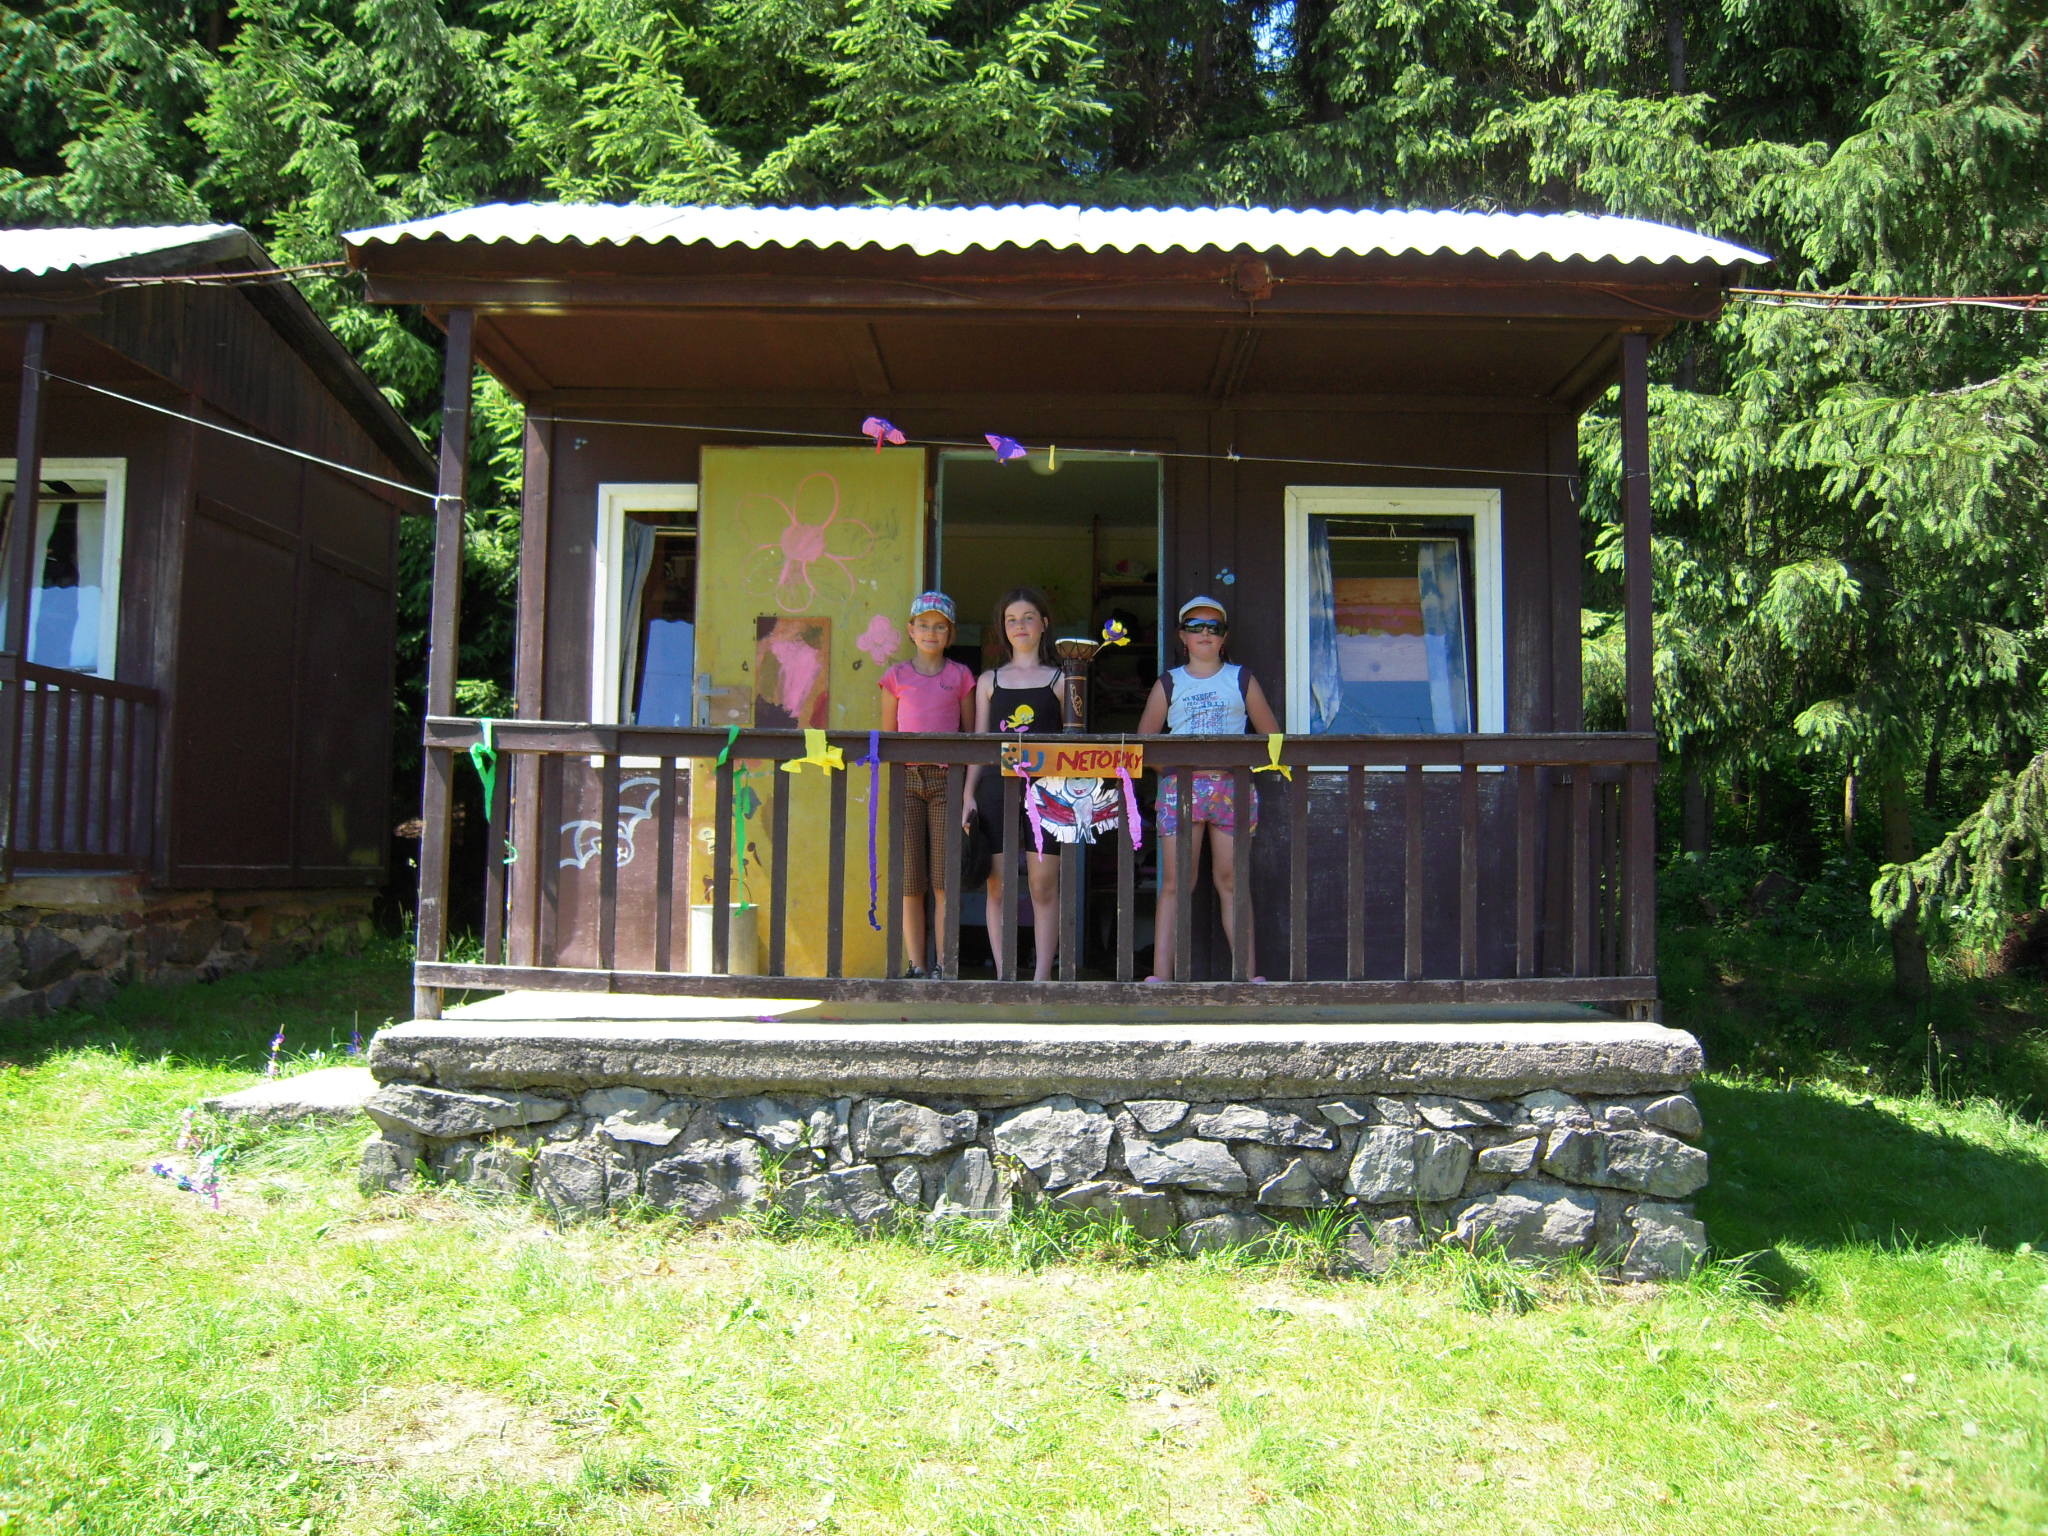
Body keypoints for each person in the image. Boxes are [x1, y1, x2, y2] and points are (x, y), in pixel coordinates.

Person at [1136, 595, 1280, 982]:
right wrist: (1176, 771)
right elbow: (1145, 742)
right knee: (1176, 883)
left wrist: (1238, 767)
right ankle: (1160, 976)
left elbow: (1271, 737)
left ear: (1224, 636)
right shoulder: (1170, 682)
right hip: (1179, 790)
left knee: (1232, 881)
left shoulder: (1241, 678)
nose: (1205, 633)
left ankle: (1246, 977)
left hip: (1231, 788)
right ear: (1182, 635)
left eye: (1214, 627)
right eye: (1195, 626)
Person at [963, 587, 1068, 981]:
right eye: (1011, 619)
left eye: (1028, 618)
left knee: (1043, 885)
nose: (1020, 625)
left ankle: (1041, 978)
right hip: (995, 789)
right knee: (999, 886)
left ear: (1044, 624)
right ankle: (1004, 977)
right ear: (1002, 628)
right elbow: (979, 742)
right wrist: (968, 795)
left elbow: (1076, 742)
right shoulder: (988, 681)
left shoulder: (1061, 680)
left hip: (1049, 790)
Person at [879, 592, 976, 978]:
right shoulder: (896, 677)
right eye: (923, 625)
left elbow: (970, 735)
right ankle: (917, 966)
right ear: (910, 630)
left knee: (943, 880)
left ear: (950, 633)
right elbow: (888, 737)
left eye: (939, 626)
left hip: (945, 779)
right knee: (910, 881)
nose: (930, 632)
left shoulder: (960, 676)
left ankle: (945, 967)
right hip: (906, 780)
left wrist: (966, 788)